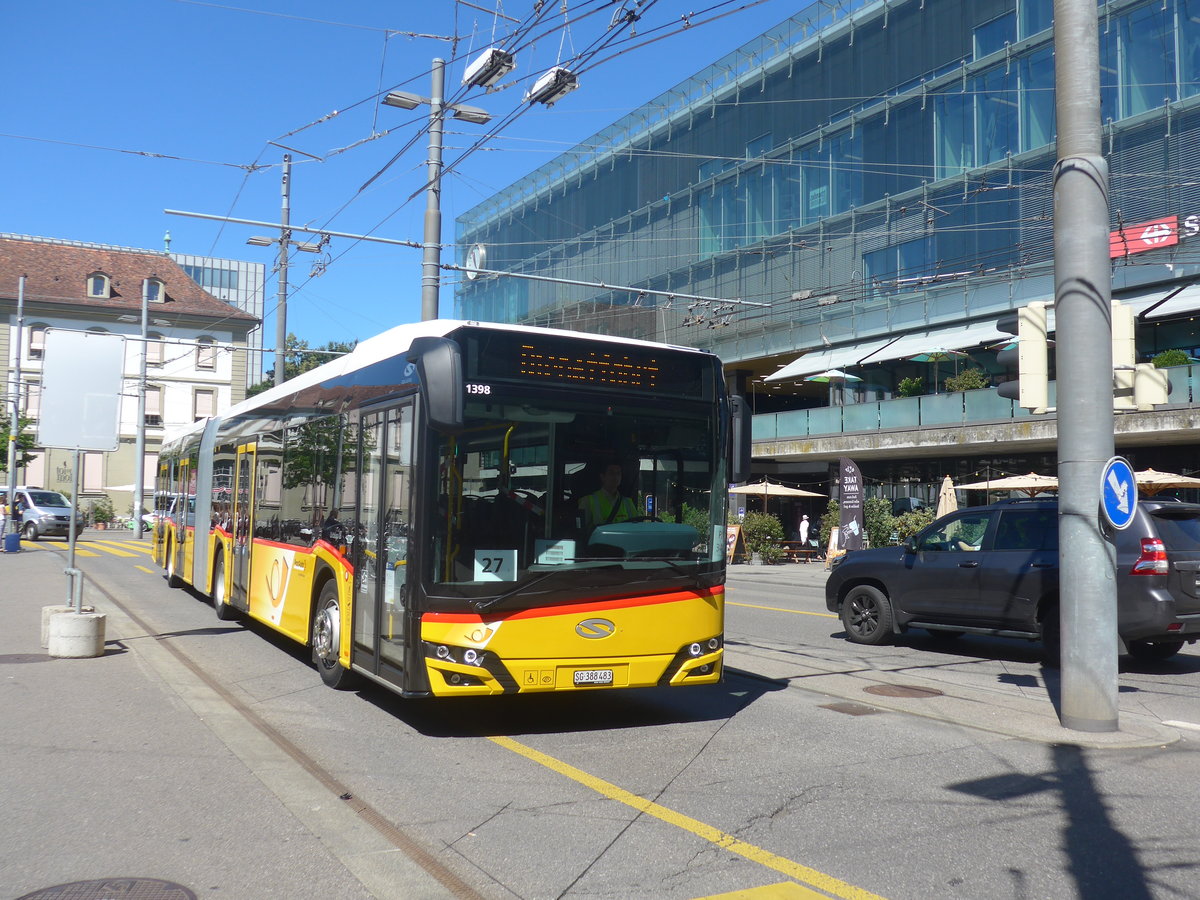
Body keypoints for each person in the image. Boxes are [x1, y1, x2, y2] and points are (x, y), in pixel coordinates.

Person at [578, 461, 637, 531]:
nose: (616, 477)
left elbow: (636, 527)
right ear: (602, 477)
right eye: (611, 473)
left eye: (618, 473)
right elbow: (582, 531)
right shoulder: (587, 501)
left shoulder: (628, 502)